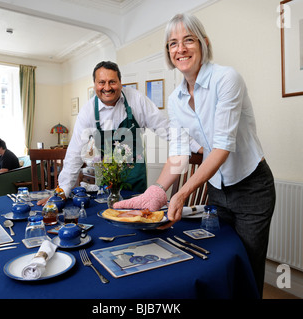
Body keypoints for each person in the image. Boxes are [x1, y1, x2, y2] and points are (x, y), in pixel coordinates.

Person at [114, 13, 276, 297]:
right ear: (168, 52)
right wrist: (158, 191)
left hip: (252, 187)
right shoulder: (175, 101)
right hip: (218, 190)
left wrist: (182, 193)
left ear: (203, 43)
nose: (181, 49)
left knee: (246, 268)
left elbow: (221, 148)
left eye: (188, 39)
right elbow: (179, 152)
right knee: (218, 261)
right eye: (173, 43)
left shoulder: (227, 79)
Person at [37, 60, 201, 205]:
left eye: (112, 82)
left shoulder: (136, 100)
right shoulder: (87, 112)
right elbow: (74, 153)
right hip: (105, 187)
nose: (107, 88)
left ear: (121, 83)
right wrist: (62, 192)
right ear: (95, 85)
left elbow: (166, 128)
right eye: (101, 82)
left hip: (134, 184)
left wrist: (196, 146)